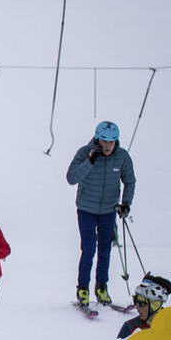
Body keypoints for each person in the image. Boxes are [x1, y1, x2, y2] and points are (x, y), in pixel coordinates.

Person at [66, 120, 134, 307]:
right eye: (104, 141)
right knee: (89, 249)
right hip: (86, 209)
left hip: (108, 211)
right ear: (97, 139)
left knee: (105, 250)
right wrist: (90, 161)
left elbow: (130, 181)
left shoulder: (122, 157)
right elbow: (71, 178)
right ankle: (83, 289)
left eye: (111, 142)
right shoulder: (84, 152)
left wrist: (126, 203)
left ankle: (102, 287)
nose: (107, 145)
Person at [118, 275, 171, 340]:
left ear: (155, 305)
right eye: (135, 301)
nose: (136, 307)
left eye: (141, 303)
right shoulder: (129, 327)